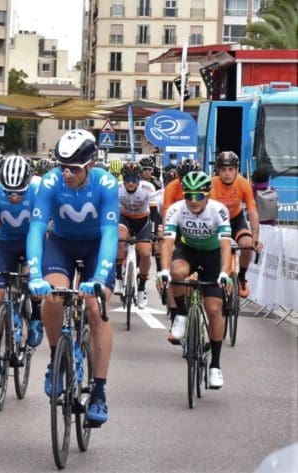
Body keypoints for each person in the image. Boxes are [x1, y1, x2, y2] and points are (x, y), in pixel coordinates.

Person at [27, 129, 120, 426]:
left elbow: (109, 235)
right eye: (62, 166)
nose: (66, 173)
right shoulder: (51, 182)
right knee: (53, 297)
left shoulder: (106, 184)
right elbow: (38, 228)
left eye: (74, 169)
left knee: (95, 309)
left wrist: (100, 277)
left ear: (90, 165)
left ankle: (100, 392)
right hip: (62, 244)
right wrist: (34, 273)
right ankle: (56, 359)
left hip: (96, 248)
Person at [157, 170, 232, 389]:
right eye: (188, 195)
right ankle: (180, 314)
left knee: (214, 308)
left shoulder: (219, 210)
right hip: (188, 250)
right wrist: (163, 271)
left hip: (212, 256)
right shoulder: (176, 210)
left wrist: (225, 274)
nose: (192, 200)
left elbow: (226, 247)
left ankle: (215, 366)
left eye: (198, 196)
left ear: (207, 195)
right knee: (176, 271)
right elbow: (168, 242)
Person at [0, 155, 43, 385]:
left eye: (19, 192)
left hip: (32, 242)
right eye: (10, 192)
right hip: (6, 245)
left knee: (33, 282)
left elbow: (45, 224)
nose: (14, 197)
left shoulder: (38, 189)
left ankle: (36, 315)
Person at [210, 151, 261, 298]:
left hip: (236, 220)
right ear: (218, 170)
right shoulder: (212, 184)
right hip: (216, 221)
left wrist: (255, 237)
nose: (227, 173)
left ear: (237, 170)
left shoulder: (243, 184)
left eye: (230, 169)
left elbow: (252, 211)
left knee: (247, 244)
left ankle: (241, 277)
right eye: (223, 169)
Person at [117, 161, 156, 309]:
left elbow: (154, 213)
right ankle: (118, 278)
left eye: (134, 180)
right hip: (124, 218)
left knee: (145, 252)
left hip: (142, 221)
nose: (131, 183)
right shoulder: (117, 188)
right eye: (127, 179)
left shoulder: (148, 188)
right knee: (120, 238)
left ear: (139, 180)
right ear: (123, 179)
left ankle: (141, 289)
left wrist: (155, 231)